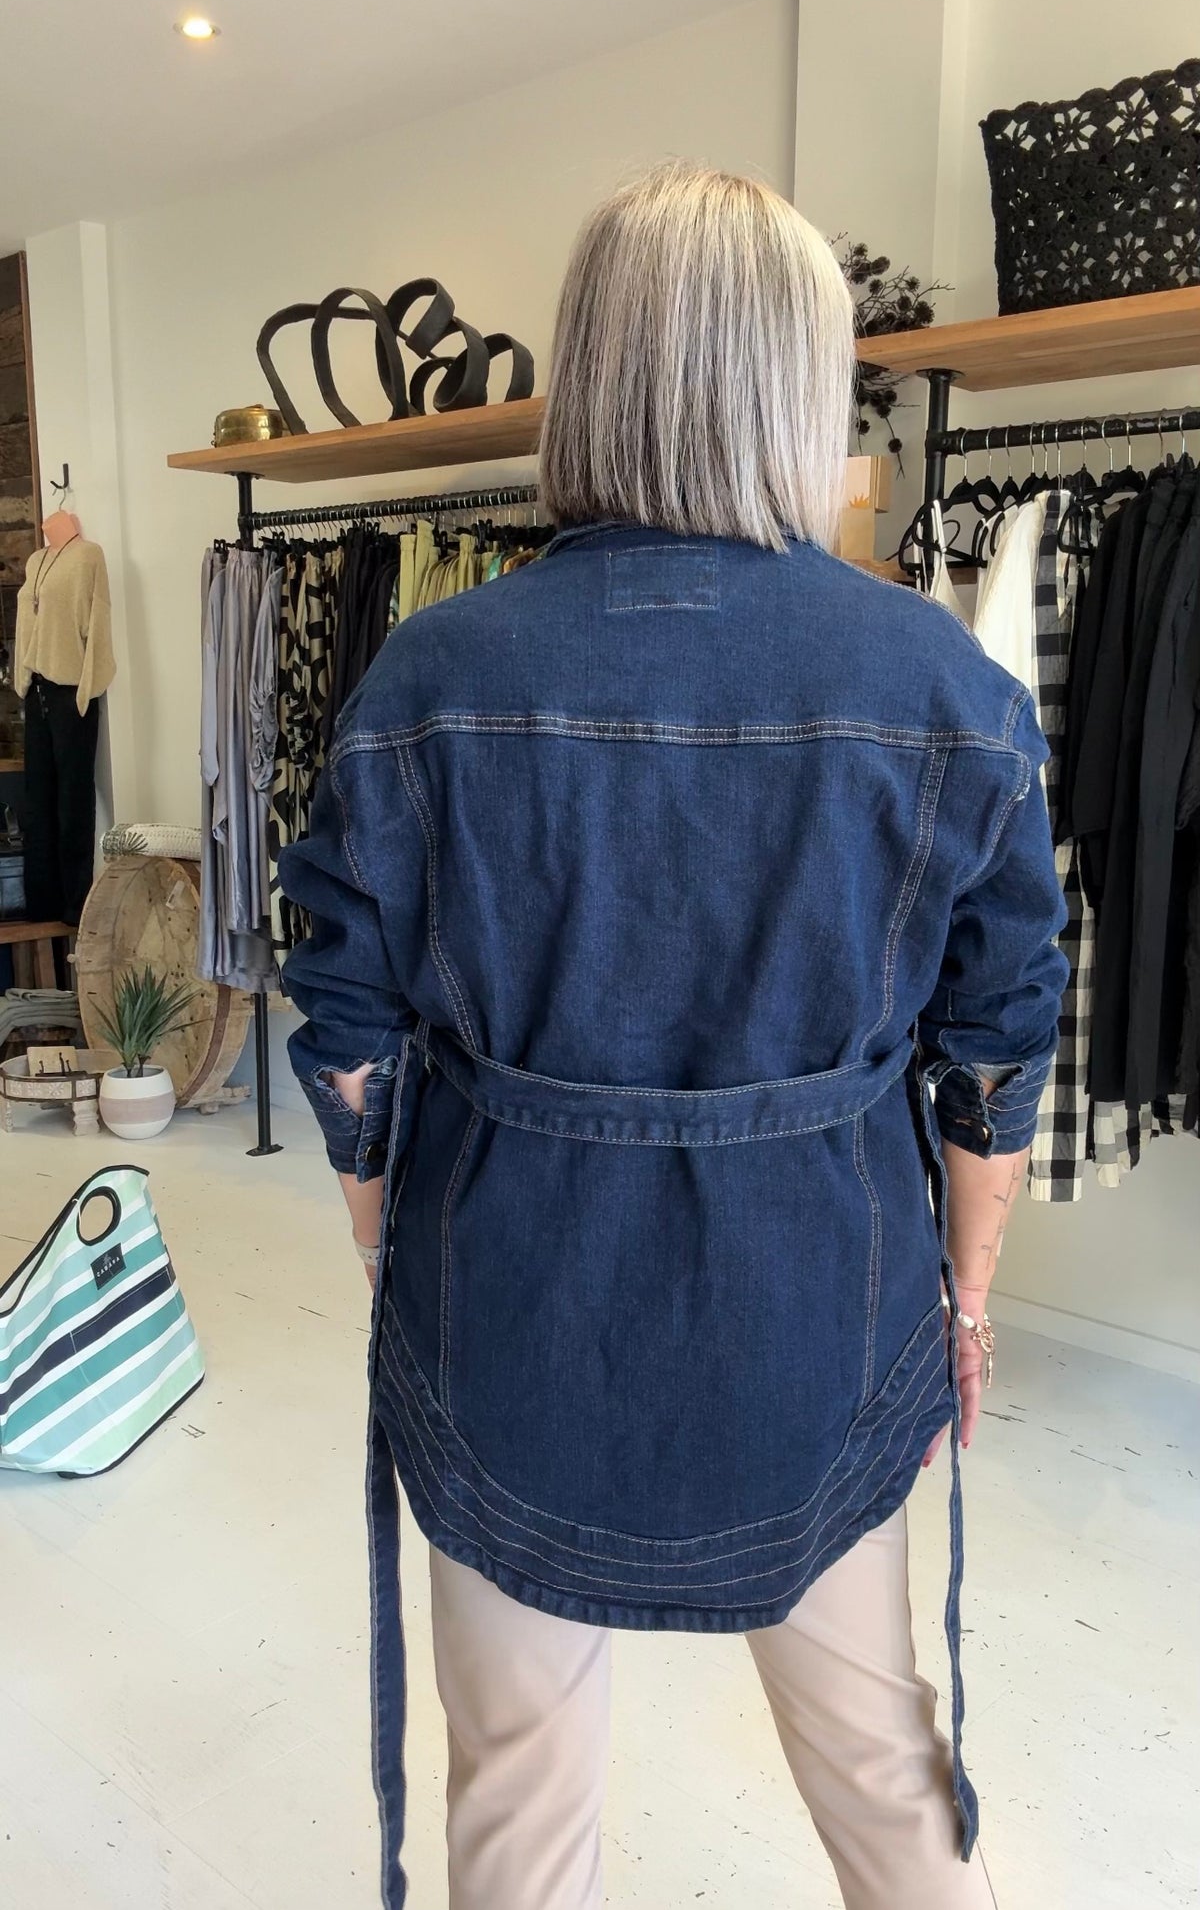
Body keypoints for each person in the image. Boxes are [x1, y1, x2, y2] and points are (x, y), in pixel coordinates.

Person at [280, 164, 1067, 1910]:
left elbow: (342, 1026)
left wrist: (397, 1253)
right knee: (889, 1779)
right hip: (821, 1329)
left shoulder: (429, 677)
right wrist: (965, 1298)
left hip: (510, 1328)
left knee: (516, 1805)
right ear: (797, 382)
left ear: (593, 371)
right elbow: (998, 1038)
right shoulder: (942, 687)